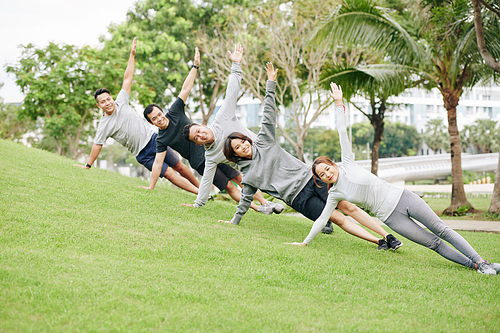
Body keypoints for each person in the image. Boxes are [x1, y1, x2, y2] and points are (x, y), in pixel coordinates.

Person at [287, 82, 499, 275]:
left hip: (404, 198)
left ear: (332, 164)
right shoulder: (334, 194)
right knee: (433, 243)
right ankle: (477, 266)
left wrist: (339, 103)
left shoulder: (348, 161)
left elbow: (342, 131)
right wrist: (305, 242)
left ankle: (482, 262)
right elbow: (323, 219)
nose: (327, 175)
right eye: (322, 176)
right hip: (391, 217)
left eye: (326, 169)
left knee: (441, 229)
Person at [221, 63, 401, 244]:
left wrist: (270, 83)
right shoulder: (249, 176)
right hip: (298, 198)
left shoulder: (264, 141)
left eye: (243, 141)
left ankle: (388, 236)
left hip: (313, 178)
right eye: (237, 147)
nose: (243, 146)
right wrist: (233, 221)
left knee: (346, 206)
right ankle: (379, 242)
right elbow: (245, 200)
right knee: (336, 218)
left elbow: (269, 113)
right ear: (235, 155)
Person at [141, 47, 275, 215]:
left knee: (239, 178)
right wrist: (151, 186)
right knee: (227, 186)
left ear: (162, 111)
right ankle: (257, 209)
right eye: (155, 119)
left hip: (216, 149)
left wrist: (195, 67)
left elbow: (186, 89)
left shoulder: (175, 111)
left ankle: (264, 203)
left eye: (159, 114)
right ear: (151, 123)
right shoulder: (161, 139)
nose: (159, 118)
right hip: (201, 162)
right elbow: (158, 163)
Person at [75, 38, 199, 194]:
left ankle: (203, 191)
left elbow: (128, 78)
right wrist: (88, 165)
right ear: (98, 105)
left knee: (179, 166)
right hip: (142, 153)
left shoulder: (121, 101)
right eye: (102, 102)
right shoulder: (104, 125)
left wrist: (132, 55)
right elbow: (97, 145)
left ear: (112, 98)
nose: (107, 102)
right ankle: (199, 194)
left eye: (108, 99)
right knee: (169, 173)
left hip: (155, 140)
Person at [182, 44, 281, 214]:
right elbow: (206, 180)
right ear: (197, 144)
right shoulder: (211, 155)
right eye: (196, 138)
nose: (200, 135)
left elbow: (232, 91)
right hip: (256, 172)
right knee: (287, 192)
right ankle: (324, 218)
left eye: (198, 131)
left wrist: (236, 65)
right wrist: (198, 204)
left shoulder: (222, 117)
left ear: (203, 125)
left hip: (267, 151)